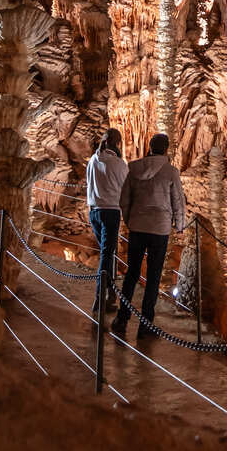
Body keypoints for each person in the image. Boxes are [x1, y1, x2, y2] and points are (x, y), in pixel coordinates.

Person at [112, 133, 187, 338]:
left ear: (150, 147)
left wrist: (130, 220)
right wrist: (180, 226)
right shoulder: (171, 172)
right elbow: (178, 201)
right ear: (166, 149)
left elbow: (124, 199)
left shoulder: (134, 168)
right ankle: (146, 325)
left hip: (137, 227)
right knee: (153, 277)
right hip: (159, 229)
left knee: (132, 273)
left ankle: (122, 318)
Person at [85, 128, 127, 314]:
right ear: (117, 144)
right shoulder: (119, 164)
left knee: (107, 253)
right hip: (110, 212)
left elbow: (88, 183)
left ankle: (110, 295)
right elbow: (127, 188)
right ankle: (99, 298)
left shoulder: (93, 160)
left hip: (94, 212)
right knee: (106, 255)